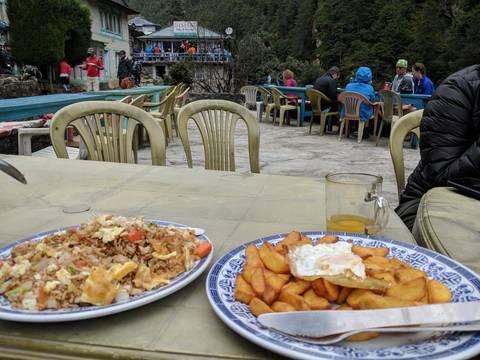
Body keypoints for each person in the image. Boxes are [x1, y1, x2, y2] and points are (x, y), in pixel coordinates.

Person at [396, 64, 480, 230]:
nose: (408, 73)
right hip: (430, 202)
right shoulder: (458, 88)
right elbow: (440, 175)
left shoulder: (423, 82)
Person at [342, 66, 376, 138]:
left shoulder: (348, 86)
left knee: (364, 107)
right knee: (368, 108)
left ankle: (346, 129)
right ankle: (365, 132)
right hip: (363, 114)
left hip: (347, 112)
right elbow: (373, 100)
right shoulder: (370, 88)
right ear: (369, 77)